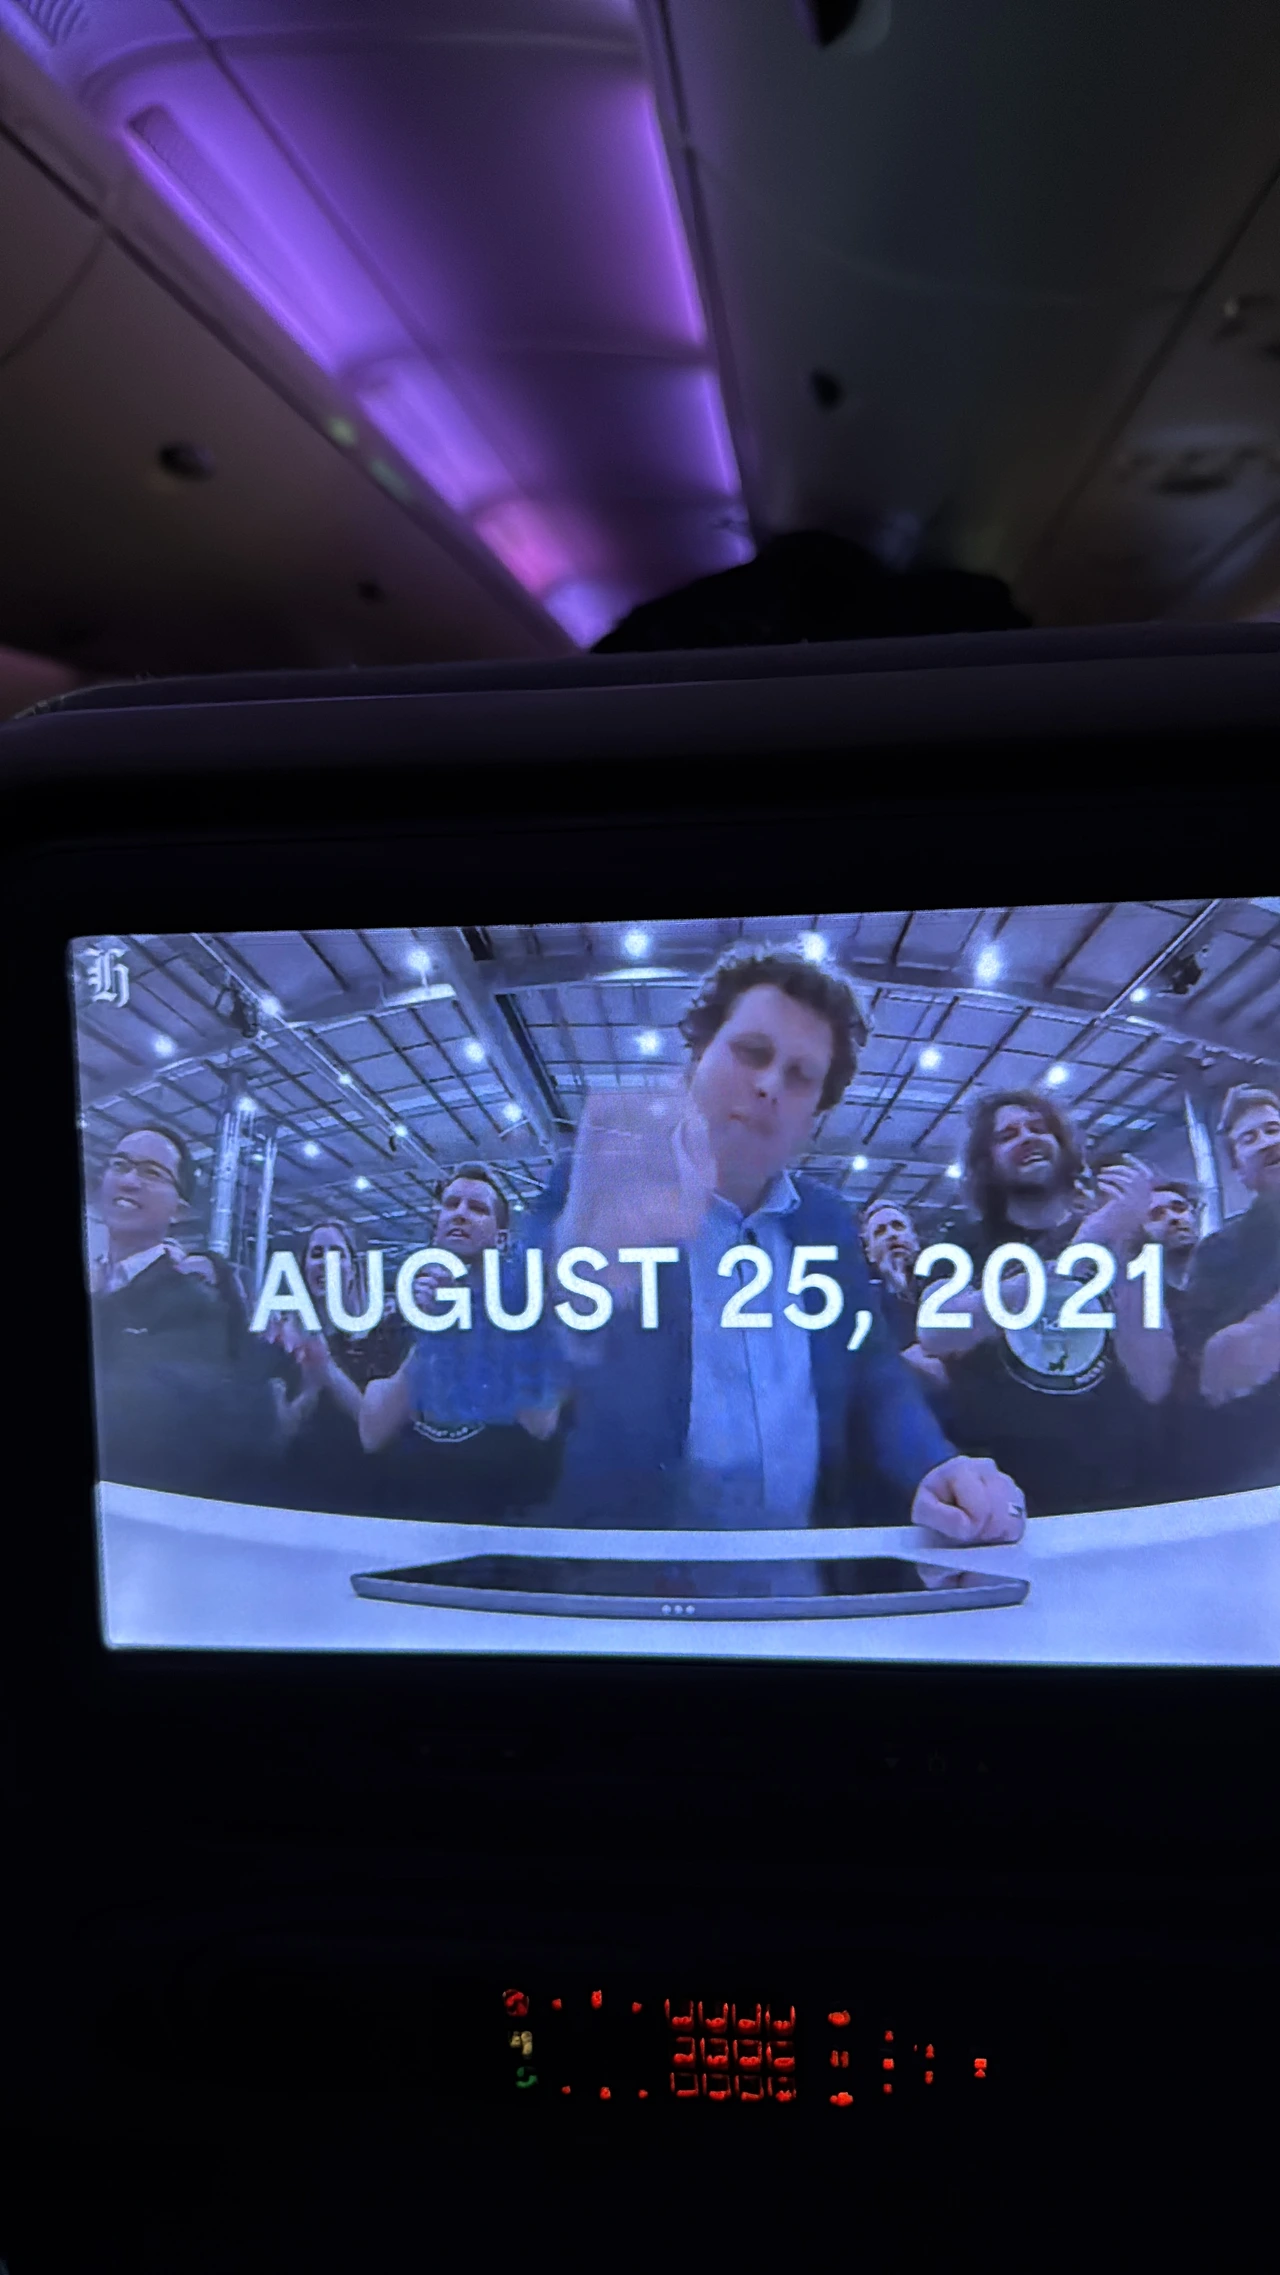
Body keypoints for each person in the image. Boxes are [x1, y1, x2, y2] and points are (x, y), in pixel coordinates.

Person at [532, 945, 1026, 1543]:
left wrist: (932, 1464)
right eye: (751, 1052)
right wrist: (577, 1265)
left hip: (804, 1567)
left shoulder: (828, 1222)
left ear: (817, 1110)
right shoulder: (593, 1188)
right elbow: (517, 1379)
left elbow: (871, 1372)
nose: (769, 1085)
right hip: (626, 1569)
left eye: (801, 1076)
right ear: (698, 1054)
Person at [915, 1091, 1176, 1516]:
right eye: (1007, 1135)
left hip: (1129, 1490)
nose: (1027, 1137)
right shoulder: (959, 1244)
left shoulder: (1122, 1239)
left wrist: (1122, 1247)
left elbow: (1154, 1380)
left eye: (1039, 1129)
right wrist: (1077, 1256)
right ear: (986, 1162)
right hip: (1012, 1496)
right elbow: (935, 1331)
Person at [357, 1167, 563, 1519]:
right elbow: (372, 1431)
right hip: (412, 1517)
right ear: (436, 1228)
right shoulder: (401, 1317)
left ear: (501, 1239)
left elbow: (541, 1422)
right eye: (451, 1204)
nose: (460, 1213)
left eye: (477, 1208)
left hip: (503, 1520)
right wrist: (434, 1331)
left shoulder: (525, 1314)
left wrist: (472, 1324)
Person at [89, 1124, 245, 1495]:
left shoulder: (196, 1304)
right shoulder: (96, 1278)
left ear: (179, 1210)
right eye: (120, 1165)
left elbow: (140, 1416)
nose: (129, 1180)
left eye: (152, 1173)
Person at [266, 1219, 410, 1514]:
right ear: (303, 1267)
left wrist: (328, 1371)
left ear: (353, 1267)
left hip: (368, 1495)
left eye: (337, 1253)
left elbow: (382, 1428)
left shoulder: (385, 1335)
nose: (326, 1262)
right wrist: (309, 1389)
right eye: (317, 1253)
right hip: (297, 1494)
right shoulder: (284, 1338)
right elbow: (279, 1435)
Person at [1175, 1087, 1280, 1493]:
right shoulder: (1217, 1254)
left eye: (1274, 1129)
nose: (1267, 1142)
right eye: (1249, 1139)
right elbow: (1213, 1377)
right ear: (1239, 1171)